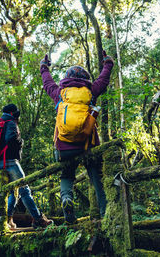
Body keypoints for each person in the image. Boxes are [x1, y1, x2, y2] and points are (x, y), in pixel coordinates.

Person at [40, 52, 114, 224]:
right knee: (97, 177)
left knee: (67, 176)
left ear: (67, 78)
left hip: (64, 148)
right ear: (85, 78)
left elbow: (47, 82)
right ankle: (105, 214)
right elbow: (104, 80)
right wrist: (108, 63)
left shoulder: (60, 93)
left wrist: (44, 66)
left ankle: (67, 204)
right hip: (88, 145)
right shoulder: (91, 92)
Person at [0, 104, 54, 229]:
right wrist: (21, 141)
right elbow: (11, 139)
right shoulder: (10, 123)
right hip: (9, 162)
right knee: (24, 190)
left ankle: (8, 220)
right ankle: (38, 219)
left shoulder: (0, 123)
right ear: (12, 113)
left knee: (14, 192)